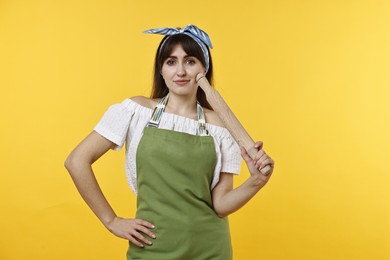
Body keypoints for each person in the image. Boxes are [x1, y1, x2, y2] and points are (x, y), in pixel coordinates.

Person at [65, 24, 274, 260]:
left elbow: (220, 204)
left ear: (204, 68)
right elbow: (76, 161)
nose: (181, 71)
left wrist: (256, 181)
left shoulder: (221, 126)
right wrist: (111, 220)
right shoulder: (136, 111)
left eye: (190, 61)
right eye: (171, 62)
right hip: (152, 247)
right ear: (161, 70)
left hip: (210, 249)